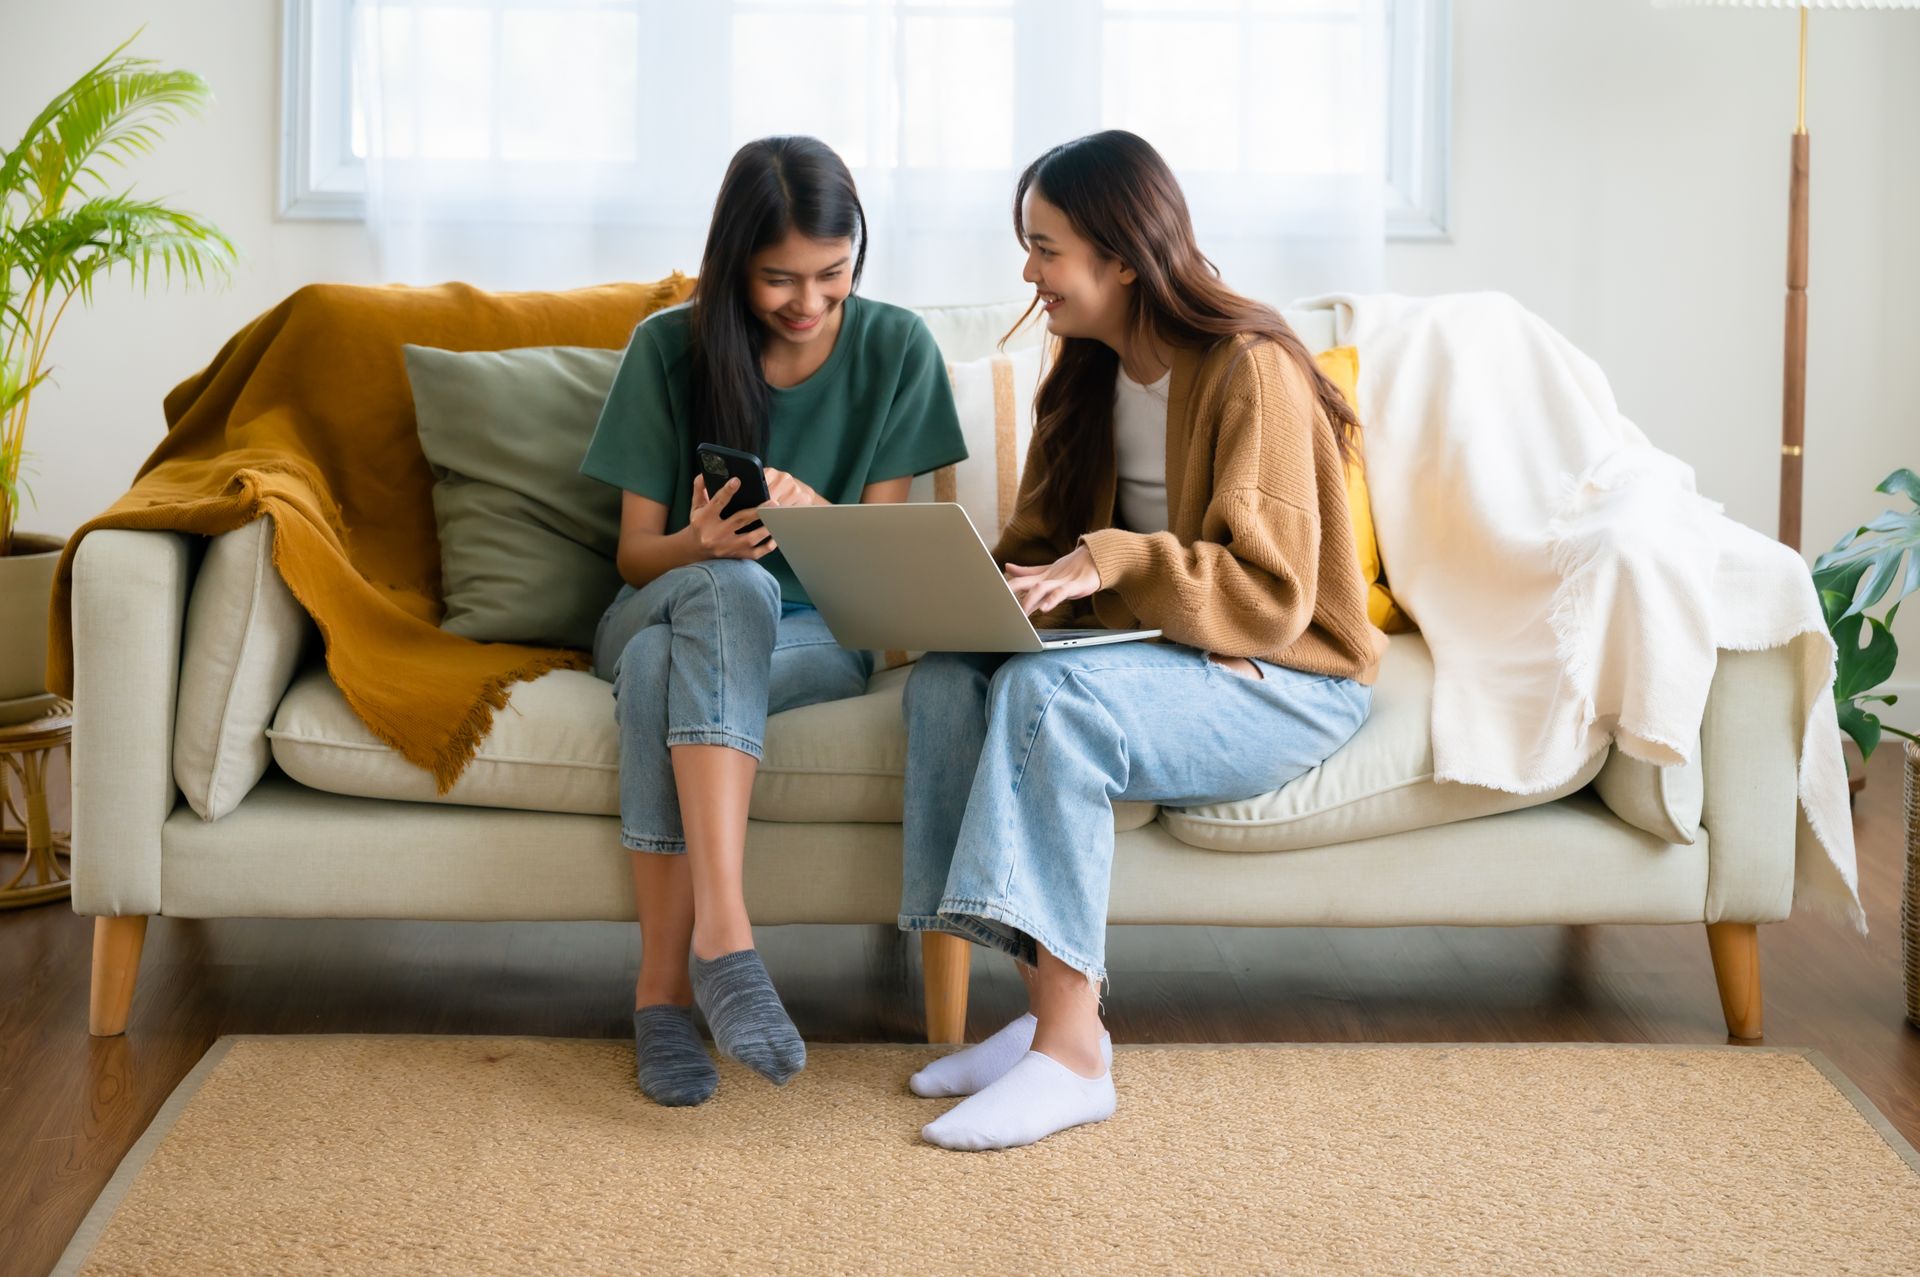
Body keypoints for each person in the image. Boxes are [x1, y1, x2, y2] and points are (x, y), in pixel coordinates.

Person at [898, 130, 1387, 1150]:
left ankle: (1077, 1059)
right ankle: (1044, 1011)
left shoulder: (1253, 368)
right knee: (949, 678)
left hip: (1287, 675)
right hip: (1172, 657)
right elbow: (1044, 551)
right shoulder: (1083, 372)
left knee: (1051, 702)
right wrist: (983, 595)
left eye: (1045, 247)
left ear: (1122, 254)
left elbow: (1273, 597)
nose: (1028, 272)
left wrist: (1116, 559)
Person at [582, 136, 965, 1107]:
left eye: (832, 276)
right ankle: (727, 934)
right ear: (733, 264)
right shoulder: (667, 346)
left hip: (817, 635)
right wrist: (699, 542)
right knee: (728, 591)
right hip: (660, 598)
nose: (808, 302)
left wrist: (813, 522)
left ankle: (664, 995)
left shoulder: (896, 349)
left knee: (681, 659)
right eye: (779, 279)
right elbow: (632, 556)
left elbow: (873, 579)